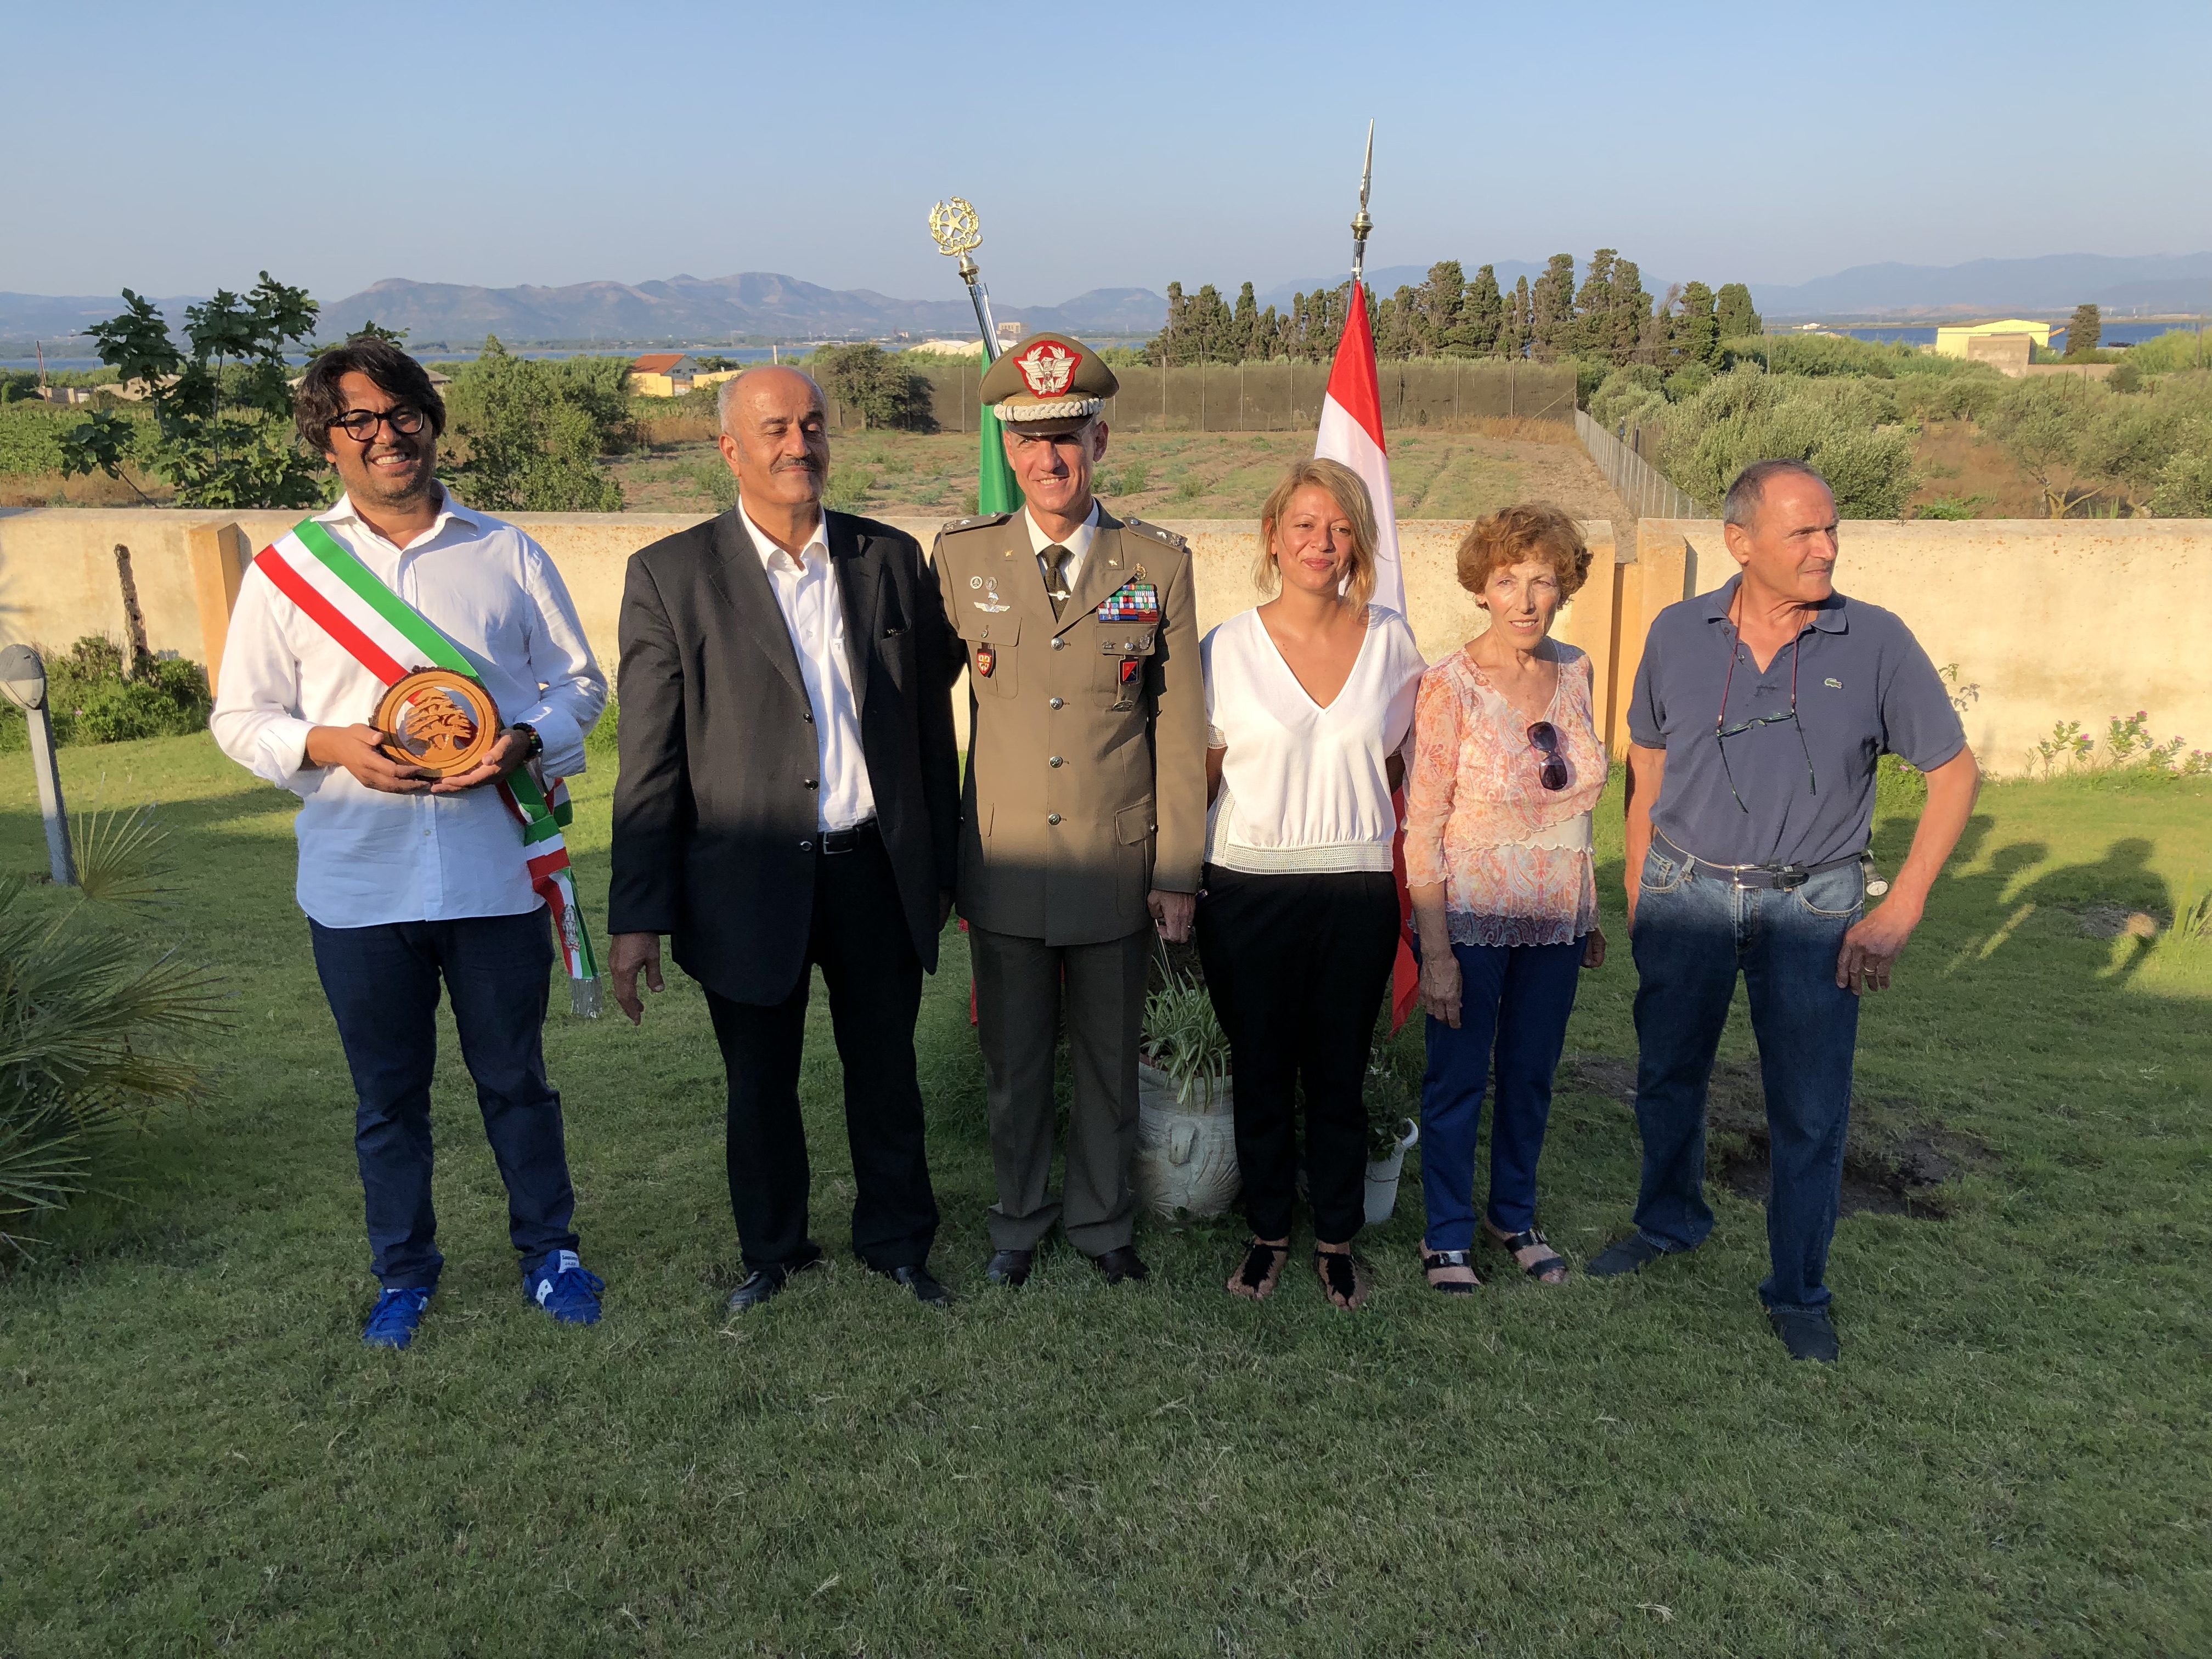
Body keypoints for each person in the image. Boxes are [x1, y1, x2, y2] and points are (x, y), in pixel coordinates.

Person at [212, 337, 608, 1350]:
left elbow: (580, 685)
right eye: (359, 420)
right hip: (358, 882)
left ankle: (551, 1253)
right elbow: (240, 717)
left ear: (430, 423)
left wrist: (526, 738)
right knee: (387, 1098)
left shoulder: (506, 551)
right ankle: (404, 1273)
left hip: (495, 872)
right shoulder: (288, 573)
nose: (386, 436)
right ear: (327, 440)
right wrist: (327, 744)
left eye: (403, 414)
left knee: (516, 1079)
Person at [1588, 459, 1979, 1363]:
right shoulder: (1677, 632)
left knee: (1807, 1107)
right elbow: (1648, 759)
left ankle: (1799, 1289)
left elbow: (1954, 774)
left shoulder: (1874, 640)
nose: (1826, 548)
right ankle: (1668, 1221)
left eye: (1831, 529)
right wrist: (1642, 883)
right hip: (1686, 893)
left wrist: (1902, 907)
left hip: (1814, 906)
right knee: (1667, 1076)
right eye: (1804, 531)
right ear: (1740, 542)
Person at [606, 366, 962, 1312]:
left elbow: (929, 727)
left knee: (886, 1073)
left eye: (812, 425)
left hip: (875, 869)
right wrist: (637, 917)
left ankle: (897, 1242)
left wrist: (945, 866)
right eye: (775, 429)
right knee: (758, 1083)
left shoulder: (890, 558)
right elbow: (649, 760)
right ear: (730, 448)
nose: (799, 445)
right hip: (745, 879)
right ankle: (773, 1251)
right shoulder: (672, 576)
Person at [930, 332, 1206, 1288]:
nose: (1048, 458)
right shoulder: (962, 560)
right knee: (1012, 1064)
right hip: (1005, 859)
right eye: (1029, 440)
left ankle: (1101, 1222)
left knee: (1107, 1061)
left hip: (1112, 861)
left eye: (1067, 437)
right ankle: (1017, 1220)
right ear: (1007, 450)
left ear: (1100, 441)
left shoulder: (1155, 565)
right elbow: (922, 710)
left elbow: (1179, 728)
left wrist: (1177, 870)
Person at [1196, 459, 1425, 1310]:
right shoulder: (1226, 648)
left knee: (1338, 1075)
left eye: (1339, 528)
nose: (1320, 543)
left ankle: (1335, 1239)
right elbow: (1203, 777)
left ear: (1358, 544)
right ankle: (1267, 1234)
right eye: (1303, 525)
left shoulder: (1394, 643)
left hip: (1356, 890)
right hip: (1249, 887)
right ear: (1272, 537)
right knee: (1260, 1072)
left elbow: (1399, 763)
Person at [1404, 504, 1608, 1295]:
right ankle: (1447, 1234)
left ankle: (1513, 1216)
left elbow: (1577, 807)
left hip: (1557, 920)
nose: (1525, 600)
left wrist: (1589, 911)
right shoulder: (1448, 686)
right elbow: (1423, 826)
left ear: (1564, 588)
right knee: (1458, 1079)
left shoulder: (1579, 671)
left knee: (1531, 1075)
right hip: (1471, 920)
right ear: (1481, 589)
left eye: (1543, 581)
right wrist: (1436, 952)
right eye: (1507, 581)